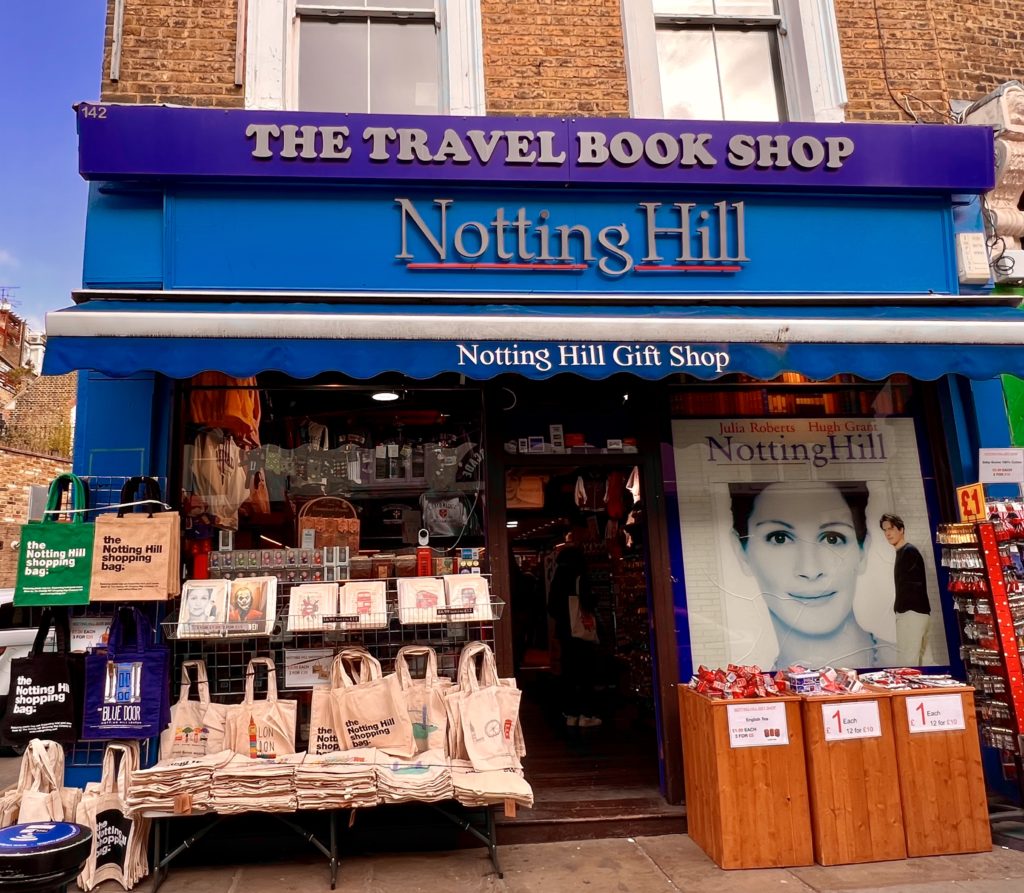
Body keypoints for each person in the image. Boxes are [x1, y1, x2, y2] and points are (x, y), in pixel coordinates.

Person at [729, 480, 897, 670]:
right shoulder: (758, 689)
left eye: (832, 538)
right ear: (741, 553)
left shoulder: (908, 665)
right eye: (780, 538)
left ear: (863, 551)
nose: (810, 570)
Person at [547, 524, 603, 728]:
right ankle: (585, 715)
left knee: (568, 673)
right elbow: (588, 603)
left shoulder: (557, 579)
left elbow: (551, 607)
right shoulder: (580, 577)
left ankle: (570, 714)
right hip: (580, 634)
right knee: (586, 674)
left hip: (564, 633)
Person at [879, 513, 931, 665]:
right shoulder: (903, 552)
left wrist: (901, 610)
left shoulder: (909, 551)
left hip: (911, 613)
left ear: (901, 529)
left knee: (908, 662)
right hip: (915, 613)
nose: (888, 533)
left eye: (891, 528)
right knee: (916, 661)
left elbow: (913, 585)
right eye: (884, 530)